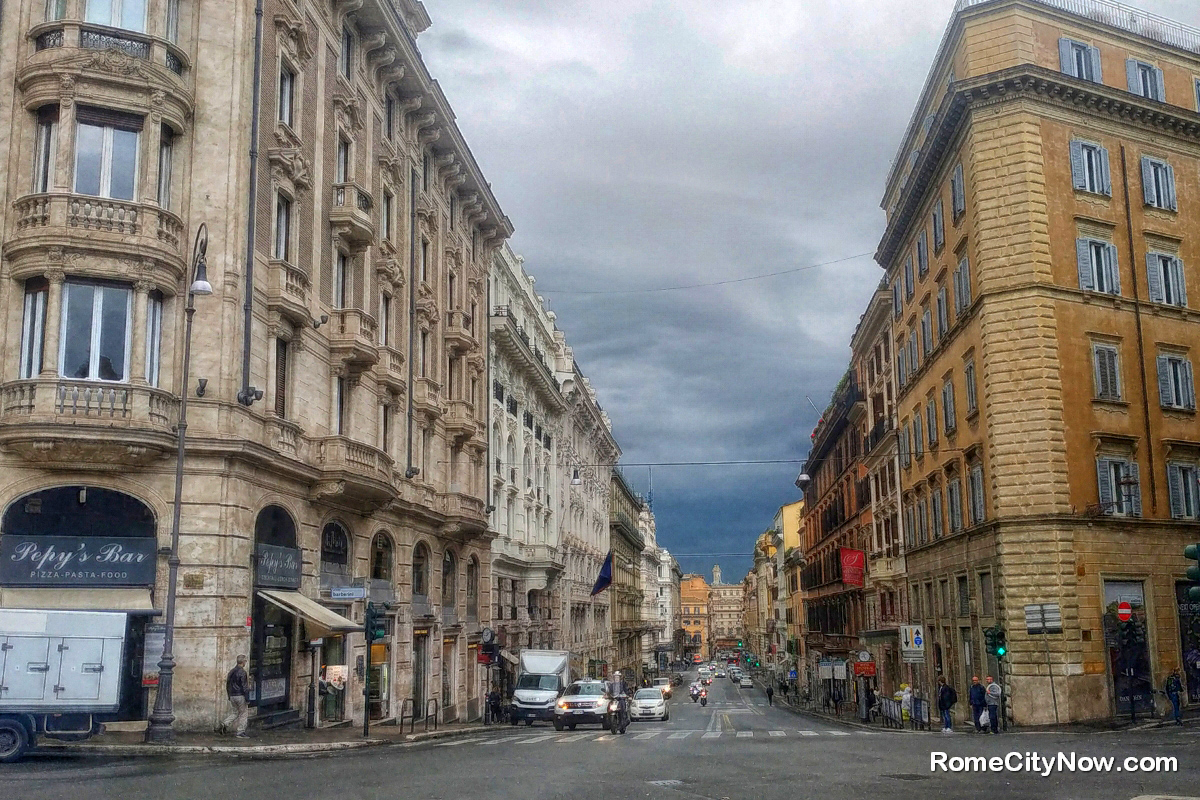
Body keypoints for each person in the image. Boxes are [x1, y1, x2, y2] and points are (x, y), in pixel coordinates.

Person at [222, 654, 250, 738]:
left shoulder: (231, 671)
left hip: (232, 695)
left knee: (235, 712)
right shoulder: (242, 672)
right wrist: (247, 698)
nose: (245, 662)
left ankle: (225, 723)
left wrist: (229, 695)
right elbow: (244, 686)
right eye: (245, 661)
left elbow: (227, 684)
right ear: (243, 662)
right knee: (243, 713)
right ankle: (240, 732)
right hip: (240, 695)